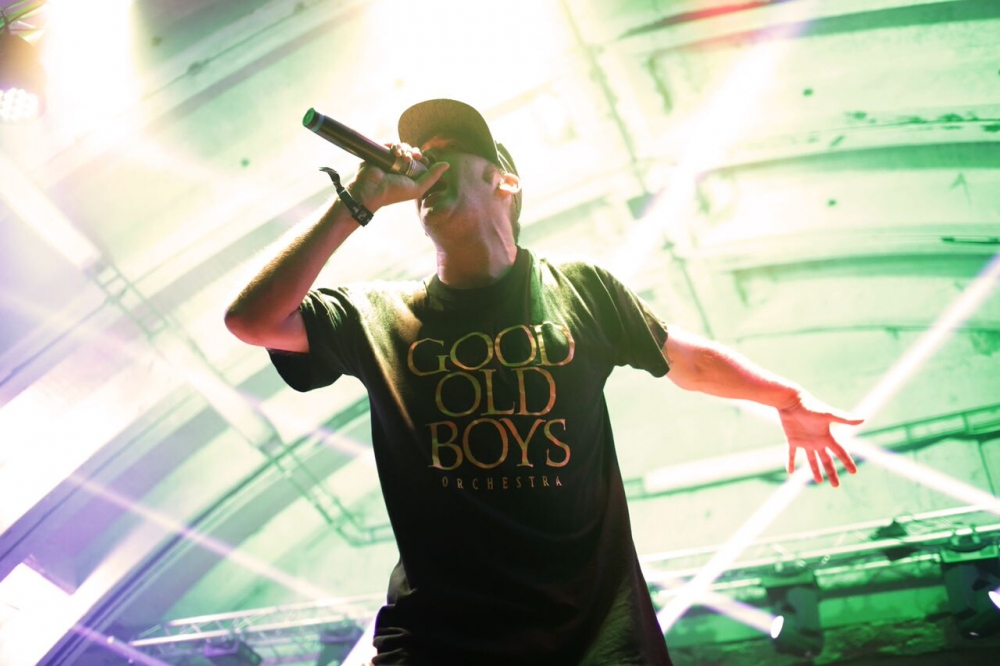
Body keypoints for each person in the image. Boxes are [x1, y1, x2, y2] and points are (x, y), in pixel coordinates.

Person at [224, 99, 863, 665]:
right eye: (419, 156)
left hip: (593, 641)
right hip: (440, 645)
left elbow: (686, 360)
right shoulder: (378, 316)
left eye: (444, 152)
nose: (423, 166)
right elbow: (252, 321)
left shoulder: (581, 290)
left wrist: (785, 399)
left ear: (503, 180)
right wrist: (357, 199)